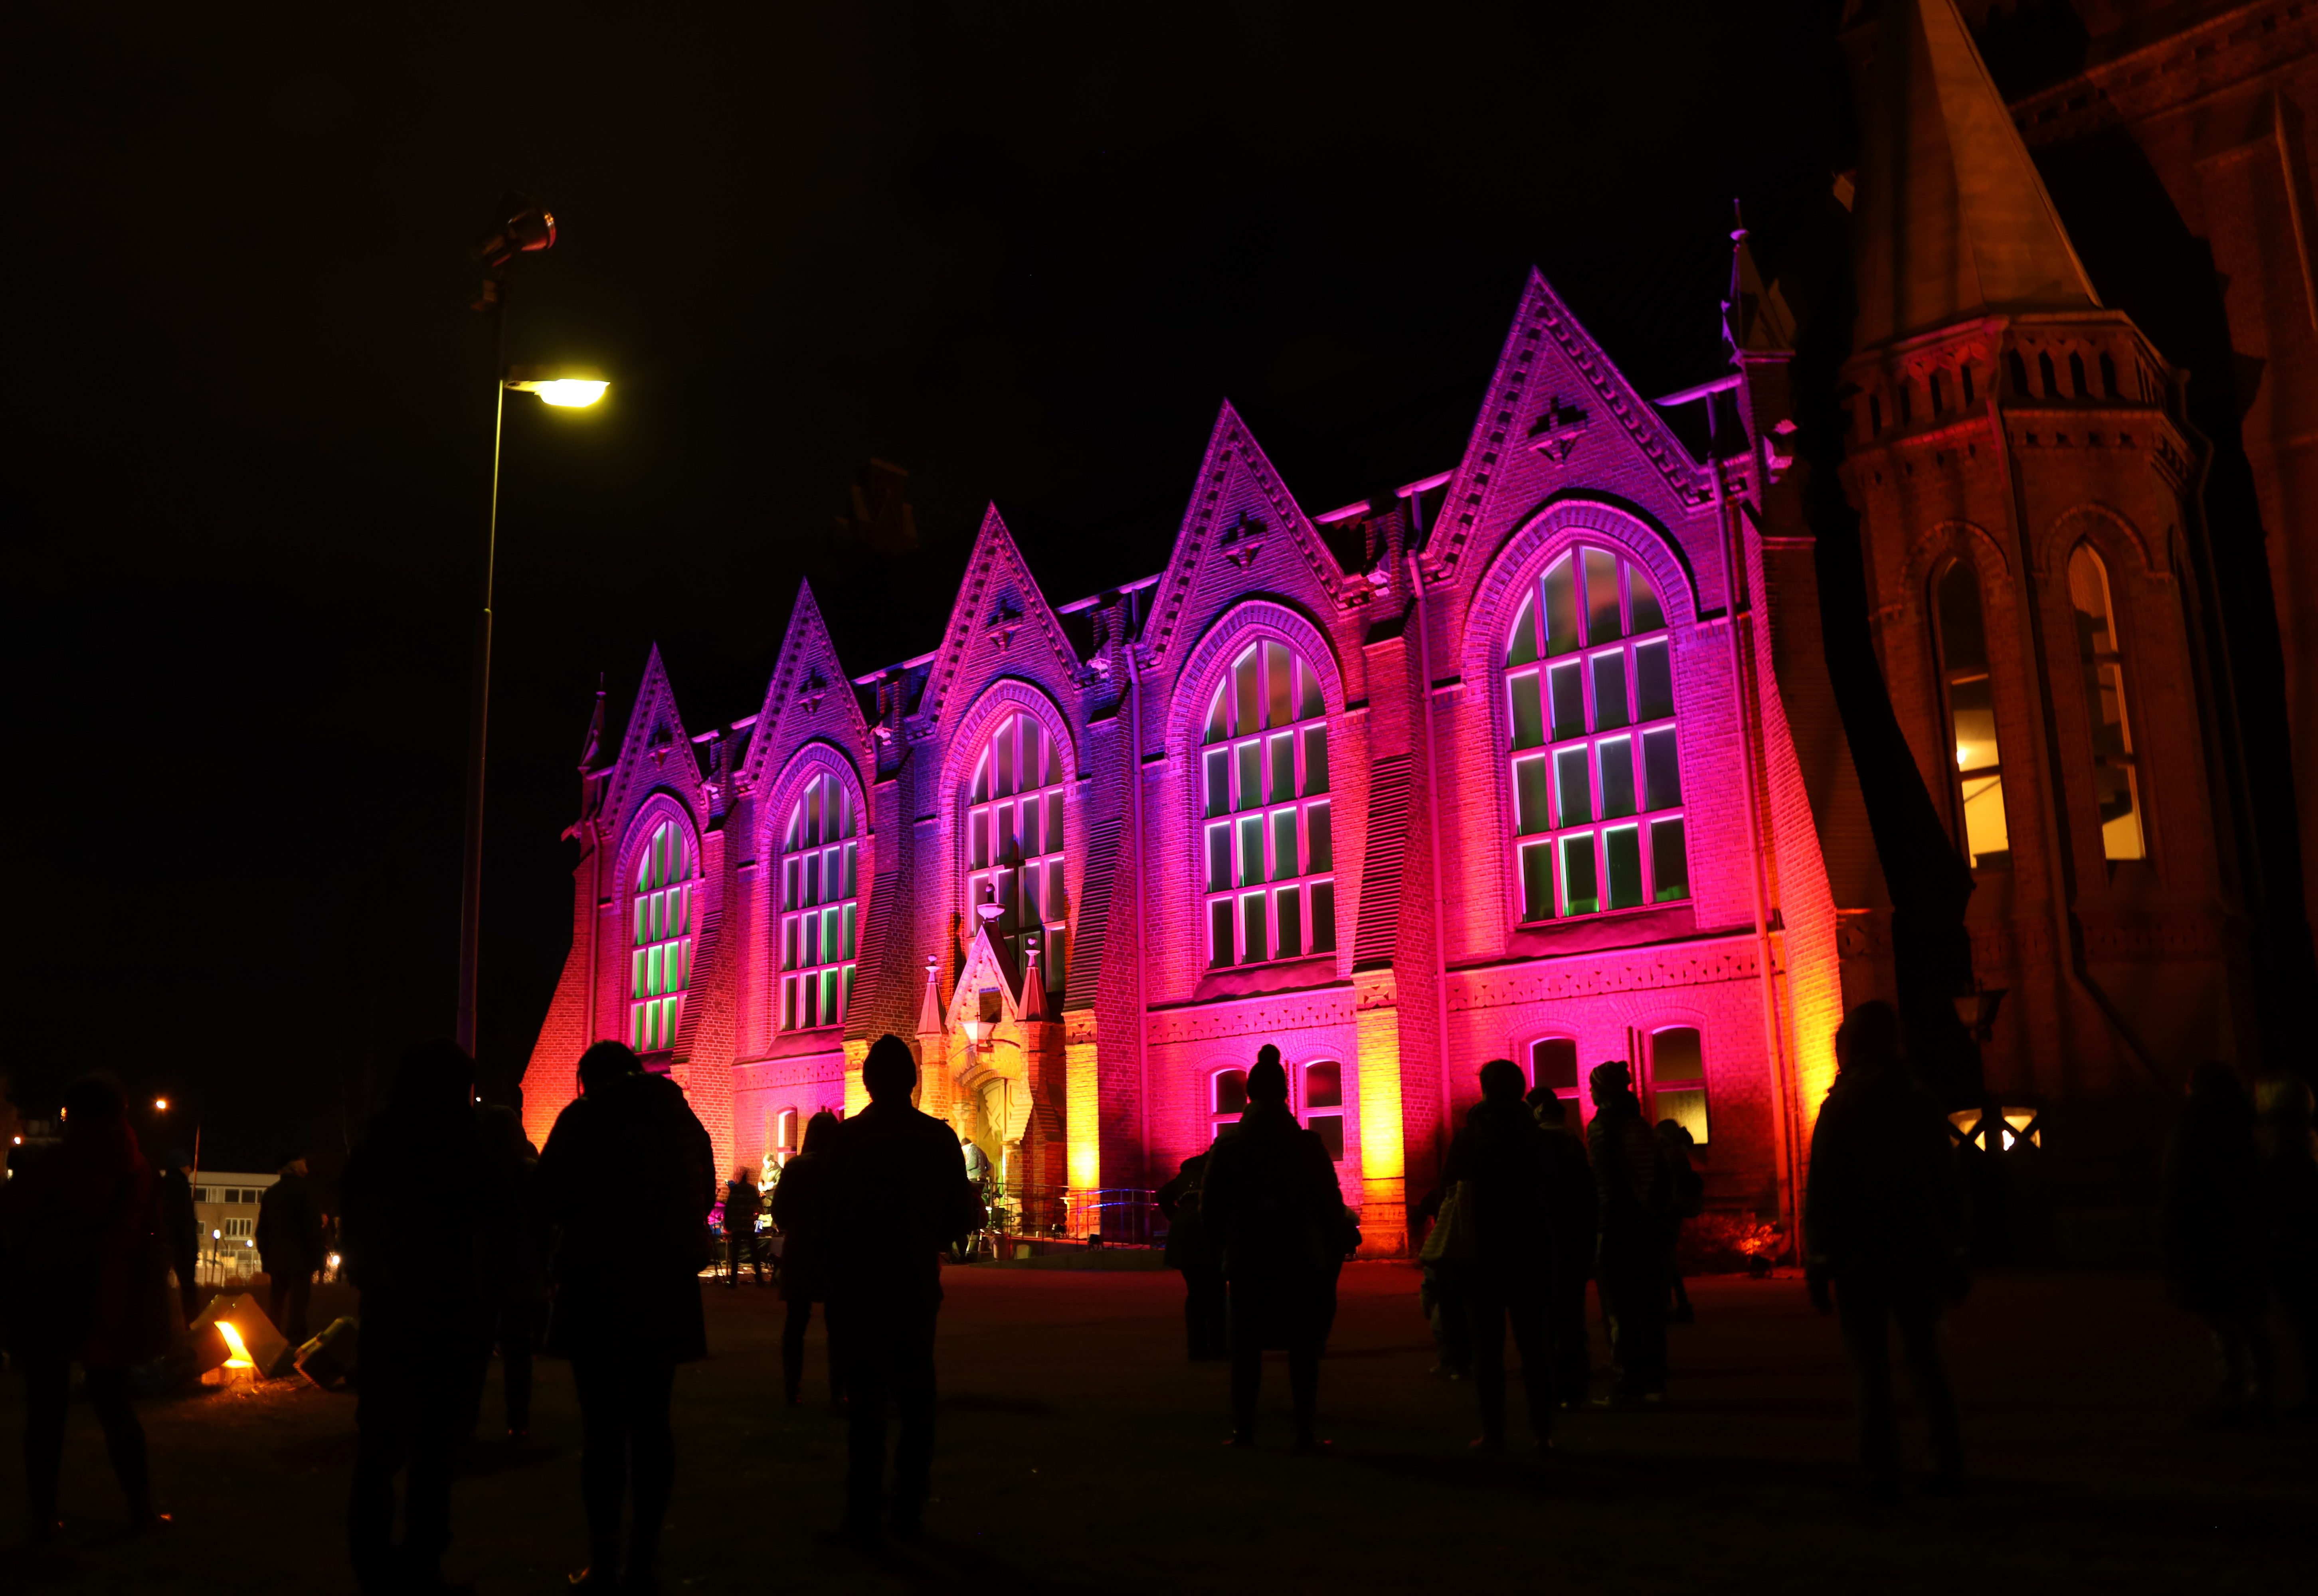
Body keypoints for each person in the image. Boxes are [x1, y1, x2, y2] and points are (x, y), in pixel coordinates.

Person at [536, 1041, 716, 1593]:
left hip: (599, 1283)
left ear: (589, 1079)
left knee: (602, 1429)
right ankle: (645, 1558)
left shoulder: (584, 1118)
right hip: (663, 1285)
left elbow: (547, 1196)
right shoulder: (681, 1121)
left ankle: (605, 1556)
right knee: (653, 1422)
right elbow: (701, 1195)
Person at [341, 1041, 501, 1595]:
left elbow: (356, 1218)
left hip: (396, 1304)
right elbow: (488, 1216)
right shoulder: (464, 1143)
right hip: (446, 1304)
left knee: (383, 1439)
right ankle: (422, 1553)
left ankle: (374, 1551)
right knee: (434, 1445)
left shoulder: (382, 1140)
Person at [1805, 1001, 1966, 1500]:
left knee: (1869, 1363)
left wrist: (1819, 1260)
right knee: (1925, 1357)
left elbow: (1825, 1186)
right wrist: (1954, 1249)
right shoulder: (1918, 1097)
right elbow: (1947, 1180)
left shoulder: (1844, 1103)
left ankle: (1880, 1468)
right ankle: (1946, 1460)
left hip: (1862, 1255)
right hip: (1917, 1248)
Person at [823, 1036, 982, 1544]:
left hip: (861, 1287)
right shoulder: (937, 1139)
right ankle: (909, 1507)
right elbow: (959, 1218)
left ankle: (862, 1510)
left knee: (866, 1403)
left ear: (869, 1082)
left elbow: (830, 1215)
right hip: (912, 1282)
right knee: (916, 1400)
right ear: (913, 1081)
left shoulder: (850, 1139)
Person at [0, 1073, 171, 1540]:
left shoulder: (50, 1165)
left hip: (48, 1296)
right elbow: (150, 1243)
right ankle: (141, 1510)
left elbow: (15, 1219)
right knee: (114, 1404)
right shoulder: (141, 1171)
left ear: (71, 1114)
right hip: (108, 1299)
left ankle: (44, 1514)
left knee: (46, 1412)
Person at [1199, 1045, 1347, 1451]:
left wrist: (1222, 1249)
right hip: (1299, 1257)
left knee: (1245, 1350)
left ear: (1249, 1095)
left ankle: (1244, 1431)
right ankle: (1305, 1431)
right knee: (1303, 1349)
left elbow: (1210, 1209)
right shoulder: (1307, 1145)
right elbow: (1330, 1205)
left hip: (1248, 1259)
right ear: (1285, 1094)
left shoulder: (1229, 1148)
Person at [1444, 1060, 1556, 1450]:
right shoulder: (1536, 1136)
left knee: (1487, 1350)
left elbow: (1451, 1185)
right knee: (1535, 1346)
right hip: (1529, 1249)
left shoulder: (1470, 1135)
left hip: (1483, 1252)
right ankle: (1543, 1432)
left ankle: (1494, 1432)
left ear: (1486, 1090)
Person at [2161, 1061, 2274, 1424]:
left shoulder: (2195, 1125)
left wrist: (2173, 1235)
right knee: (2247, 1319)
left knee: (2224, 1321)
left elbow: (2181, 1184)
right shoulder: (2245, 1123)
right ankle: (2260, 1395)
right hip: (2244, 1233)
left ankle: (2234, 1397)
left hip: (2210, 1234)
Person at [1587, 1059, 1671, 1403]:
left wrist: (1600, 1228)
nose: (1590, 1091)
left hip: (1618, 1226)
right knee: (1650, 1308)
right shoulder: (1640, 1123)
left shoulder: (1601, 1127)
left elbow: (1605, 1183)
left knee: (1619, 1310)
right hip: (1649, 1226)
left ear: (1603, 1090)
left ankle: (1627, 1382)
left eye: (1594, 1086)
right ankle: (1654, 1383)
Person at [478, 1105, 548, 1439]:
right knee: (518, 1348)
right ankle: (517, 1420)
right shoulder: (529, 1172)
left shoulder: (474, 1172)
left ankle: (466, 1419)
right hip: (521, 1266)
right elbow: (545, 1220)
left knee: (475, 1347)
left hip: (482, 1268)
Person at [1527, 1087, 1596, 1407]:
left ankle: (1555, 1386)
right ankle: (1576, 1385)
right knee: (1572, 1316)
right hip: (1575, 1238)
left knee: (1548, 1318)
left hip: (1545, 1239)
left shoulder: (1539, 1142)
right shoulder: (1574, 1142)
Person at [2254, 1073, 2317, 1421]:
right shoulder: (2303, 1137)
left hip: (2291, 1246)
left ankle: (2311, 1399)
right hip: (2298, 1244)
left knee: (2304, 1325)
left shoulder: (2280, 1145)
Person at [770, 1110, 843, 1405]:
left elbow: (780, 1212)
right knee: (838, 1326)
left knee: (796, 1323)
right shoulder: (840, 1167)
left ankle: (792, 1390)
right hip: (833, 1246)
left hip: (800, 1247)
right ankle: (838, 1392)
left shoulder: (797, 1167)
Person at [1157, 1151, 1225, 1361]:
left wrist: (1176, 1217)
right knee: (1216, 1293)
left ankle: (1196, 1349)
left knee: (1196, 1293)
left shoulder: (1186, 1174)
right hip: (1210, 1234)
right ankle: (1218, 1347)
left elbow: (1162, 1195)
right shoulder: (1221, 1171)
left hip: (1185, 1237)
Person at [258, 1156, 326, 1349]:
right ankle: (295, 1342)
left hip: (278, 1258)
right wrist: (316, 1256)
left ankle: (271, 1341)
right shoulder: (306, 1192)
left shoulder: (271, 1194)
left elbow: (263, 1230)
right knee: (299, 1303)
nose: (306, 1164)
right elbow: (313, 1228)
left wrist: (267, 1257)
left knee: (276, 1301)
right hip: (300, 1258)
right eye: (303, 1161)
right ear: (296, 1167)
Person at [1657, 1120, 1704, 1325]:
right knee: (1669, 1257)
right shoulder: (1680, 1153)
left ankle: (1671, 1305)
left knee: (1666, 1259)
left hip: (1668, 1209)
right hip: (1675, 1209)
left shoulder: (1669, 1155)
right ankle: (1681, 1304)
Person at [159, 1148, 200, 1324]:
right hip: (181, 1246)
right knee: (189, 1291)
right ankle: (192, 1328)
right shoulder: (182, 1187)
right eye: (189, 1166)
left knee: (159, 1288)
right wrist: (192, 1250)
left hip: (162, 1243)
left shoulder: (161, 1184)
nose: (191, 1170)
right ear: (182, 1166)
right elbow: (185, 1221)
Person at [723, 1166, 765, 1287]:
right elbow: (757, 1207)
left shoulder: (735, 1190)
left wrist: (728, 1225)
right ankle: (760, 1280)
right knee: (755, 1254)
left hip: (737, 1226)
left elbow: (729, 1208)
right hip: (748, 1226)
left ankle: (733, 1281)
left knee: (735, 1255)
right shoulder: (751, 1190)